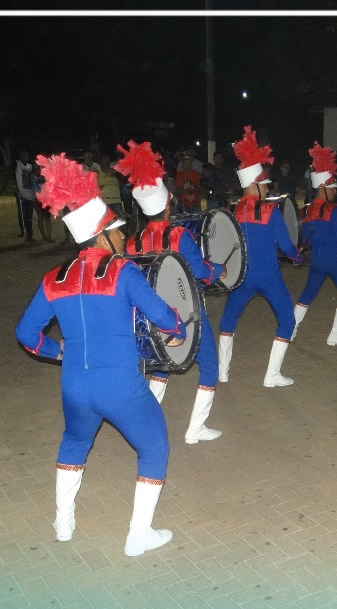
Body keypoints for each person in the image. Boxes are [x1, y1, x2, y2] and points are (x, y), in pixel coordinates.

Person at [15, 154, 186, 558]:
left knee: (74, 443)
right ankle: (138, 535)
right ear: (102, 236)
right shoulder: (123, 271)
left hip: (75, 385)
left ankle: (63, 526)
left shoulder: (53, 278)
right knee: (155, 447)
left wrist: (58, 351)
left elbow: (25, 334)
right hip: (120, 386)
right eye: (117, 231)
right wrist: (178, 330)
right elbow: (163, 315)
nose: (123, 237)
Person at [115, 140, 225, 443]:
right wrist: (218, 270)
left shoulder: (132, 242)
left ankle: (144, 424)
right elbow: (201, 273)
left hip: (148, 316)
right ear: (167, 204)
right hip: (186, 311)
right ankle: (195, 429)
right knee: (209, 365)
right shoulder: (179, 235)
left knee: (161, 364)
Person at [218, 126, 303, 388]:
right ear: (254, 185)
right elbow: (287, 246)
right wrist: (297, 257)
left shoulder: (231, 212)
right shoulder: (270, 211)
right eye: (264, 185)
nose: (267, 190)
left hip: (241, 277)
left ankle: (222, 372)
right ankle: (272, 375)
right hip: (269, 277)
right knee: (287, 320)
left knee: (228, 319)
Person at [292, 142, 337, 346]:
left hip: (316, 260)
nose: (335, 192)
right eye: (332, 189)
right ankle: (335, 334)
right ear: (323, 188)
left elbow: (305, 239)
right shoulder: (333, 210)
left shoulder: (306, 210)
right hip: (334, 259)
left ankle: (291, 330)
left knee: (308, 293)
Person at [15, 150, 36, 243]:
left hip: (30, 194)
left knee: (29, 217)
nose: (25, 157)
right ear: (19, 156)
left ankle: (29, 236)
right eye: (23, 155)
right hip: (21, 194)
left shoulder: (30, 166)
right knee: (22, 215)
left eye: (26, 155)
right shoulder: (16, 164)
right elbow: (10, 175)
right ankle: (25, 234)